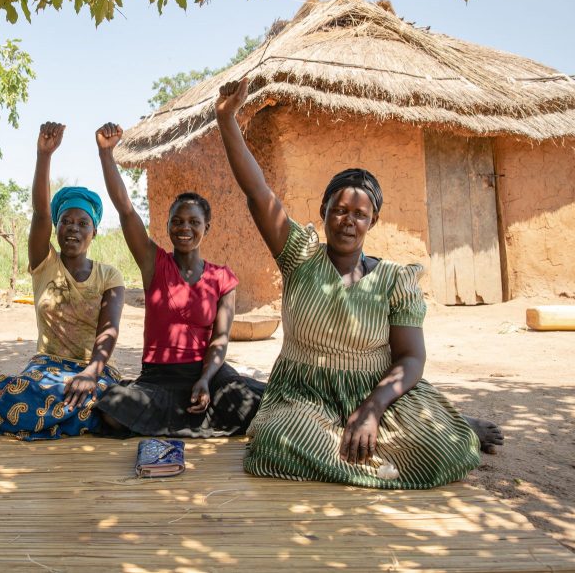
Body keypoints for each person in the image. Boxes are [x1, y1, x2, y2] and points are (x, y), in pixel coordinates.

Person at [214, 78, 504, 488]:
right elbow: (258, 193)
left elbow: (410, 359)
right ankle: (372, 450)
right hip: (304, 395)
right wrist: (226, 119)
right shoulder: (300, 256)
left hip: (376, 391)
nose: (348, 221)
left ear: (373, 222)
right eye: (339, 210)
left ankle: (445, 427)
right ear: (324, 211)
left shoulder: (395, 280)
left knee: (444, 449)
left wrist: (371, 409)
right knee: (273, 442)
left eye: (360, 214)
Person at [94, 123, 265, 438]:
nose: (185, 227)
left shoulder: (222, 278)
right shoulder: (153, 264)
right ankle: (192, 421)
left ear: (206, 227)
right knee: (112, 410)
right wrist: (107, 154)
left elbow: (220, 340)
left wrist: (205, 379)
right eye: (177, 221)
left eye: (194, 222)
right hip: (159, 377)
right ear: (168, 225)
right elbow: (126, 210)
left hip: (208, 373)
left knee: (255, 405)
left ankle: (185, 416)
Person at [0, 122, 125, 440]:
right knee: (17, 392)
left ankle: (56, 418)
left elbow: (109, 332)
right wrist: (43, 155)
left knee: (110, 400)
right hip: (47, 367)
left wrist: (92, 372)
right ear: (57, 226)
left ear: (94, 231)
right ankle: (79, 418)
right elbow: (39, 214)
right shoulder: (44, 263)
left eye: (82, 223)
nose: (73, 228)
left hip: (96, 367)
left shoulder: (109, 275)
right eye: (66, 221)